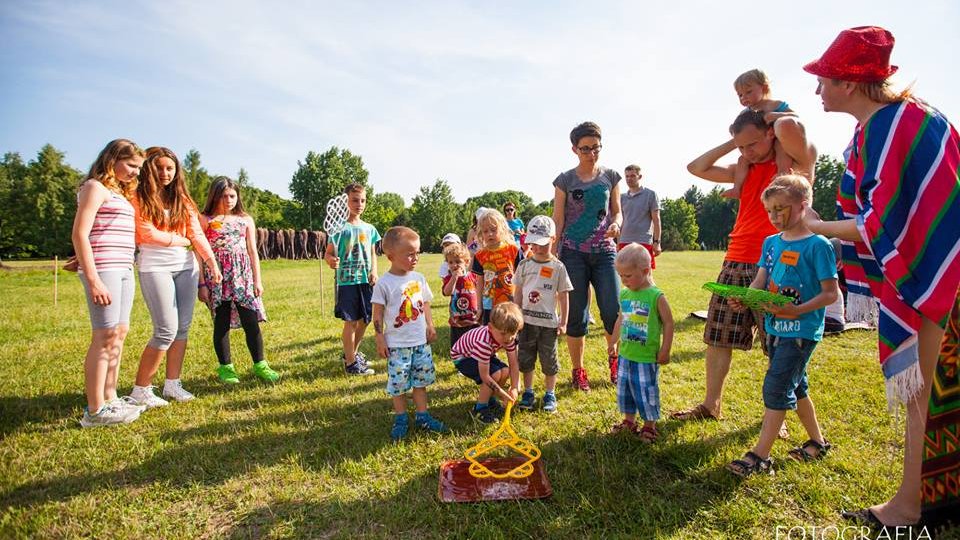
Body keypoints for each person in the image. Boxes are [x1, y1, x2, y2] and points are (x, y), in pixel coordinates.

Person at [801, 26, 960, 528]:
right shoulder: (912, 118)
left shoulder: (888, 127)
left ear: (849, 82)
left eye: (824, 79)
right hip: (943, 271)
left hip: (931, 282)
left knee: (923, 390)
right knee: (941, 389)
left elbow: (884, 224)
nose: (818, 90)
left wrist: (818, 225)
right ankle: (938, 496)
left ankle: (910, 507)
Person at [677, 107, 815, 422]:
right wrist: (735, 143)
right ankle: (710, 406)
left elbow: (797, 132)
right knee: (718, 334)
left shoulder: (790, 166)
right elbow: (696, 167)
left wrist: (775, 122)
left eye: (752, 144)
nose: (747, 152)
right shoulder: (743, 168)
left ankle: (777, 415)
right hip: (736, 256)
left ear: (770, 134)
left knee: (777, 342)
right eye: (742, 147)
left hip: (778, 261)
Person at [725, 175, 838, 476]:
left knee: (776, 388)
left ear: (803, 205)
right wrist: (745, 299)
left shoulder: (819, 245)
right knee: (796, 387)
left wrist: (797, 310)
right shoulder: (771, 243)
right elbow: (761, 280)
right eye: (769, 210)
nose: (774, 216)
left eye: (781, 209)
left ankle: (760, 456)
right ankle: (818, 441)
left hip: (800, 332)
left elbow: (831, 293)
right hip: (775, 329)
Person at [128, 147, 223, 408]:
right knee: (165, 329)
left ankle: (173, 384)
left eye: (170, 168)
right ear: (148, 169)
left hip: (186, 267)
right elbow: (146, 234)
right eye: (159, 168)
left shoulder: (183, 200)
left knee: (182, 328)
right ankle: (141, 389)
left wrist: (211, 262)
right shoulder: (139, 198)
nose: (165, 173)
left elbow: (197, 234)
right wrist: (178, 240)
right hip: (155, 267)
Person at [72, 139, 145, 427]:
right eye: (131, 165)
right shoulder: (94, 187)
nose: (135, 173)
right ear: (112, 159)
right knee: (103, 338)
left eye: (138, 168)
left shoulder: (119, 193)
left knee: (119, 333)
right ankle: (95, 410)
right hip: (104, 270)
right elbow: (80, 234)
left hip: (125, 267)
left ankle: (110, 397)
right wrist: (93, 279)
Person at [552, 121, 623, 391]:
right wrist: (553, 251)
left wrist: (616, 224)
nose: (592, 154)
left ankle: (615, 360)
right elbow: (557, 219)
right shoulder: (564, 180)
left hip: (605, 253)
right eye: (585, 149)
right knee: (576, 317)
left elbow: (617, 210)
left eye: (596, 148)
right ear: (574, 149)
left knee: (612, 311)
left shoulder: (611, 176)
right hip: (572, 254)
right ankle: (578, 371)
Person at [199, 177, 280, 385]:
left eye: (232, 196)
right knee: (221, 322)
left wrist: (257, 280)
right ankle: (226, 368)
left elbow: (253, 251)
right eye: (224, 195)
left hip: (243, 276)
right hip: (217, 277)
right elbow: (199, 253)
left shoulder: (245, 220)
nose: (228, 200)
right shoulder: (205, 219)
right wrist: (201, 283)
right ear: (214, 196)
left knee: (251, 321)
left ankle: (260, 364)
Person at [371, 226, 448, 441]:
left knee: (420, 381)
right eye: (410, 254)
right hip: (397, 345)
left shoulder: (419, 278)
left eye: (418, 252)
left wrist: (430, 325)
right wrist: (379, 337)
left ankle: (423, 416)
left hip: (420, 342)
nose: (415, 258)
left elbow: (425, 303)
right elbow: (377, 314)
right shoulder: (384, 284)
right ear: (391, 256)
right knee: (398, 385)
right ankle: (401, 418)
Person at [609, 244, 673, 442]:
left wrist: (665, 350)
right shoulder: (625, 294)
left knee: (646, 391)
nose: (623, 280)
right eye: (620, 276)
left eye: (628, 276)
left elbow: (669, 323)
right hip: (626, 355)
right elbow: (621, 318)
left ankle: (649, 426)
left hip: (646, 358)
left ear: (645, 271)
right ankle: (629, 421)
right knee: (625, 390)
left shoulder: (656, 296)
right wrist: (613, 341)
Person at [513, 216, 572, 413]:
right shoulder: (524, 265)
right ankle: (528, 392)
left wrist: (563, 322)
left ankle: (550, 393)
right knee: (526, 359)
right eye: (534, 244)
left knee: (549, 360)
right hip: (526, 323)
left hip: (548, 325)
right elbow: (518, 292)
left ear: (553, 239)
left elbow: (563, 297)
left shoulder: (558, 268)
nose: (537, 248)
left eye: (543, 244)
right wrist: (516, 315)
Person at [324, 183, 381, 375]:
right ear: (345, 202)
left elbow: (373, 253)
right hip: (347, 281)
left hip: (365, 280)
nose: (359, 204)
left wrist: (374, 270)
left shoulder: (370, 228)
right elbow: (328, 253)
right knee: (351, 322)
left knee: (365, 320)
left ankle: (352, 354)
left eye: (363, 200)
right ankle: (350, 364)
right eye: (355, 200)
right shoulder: (338, 228)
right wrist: (332, 261)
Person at [724, 69, 804, 199]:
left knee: (782, 150)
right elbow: (739, 128)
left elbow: (795, 117)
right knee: (742, 159)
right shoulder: (745, 113)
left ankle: (782, 174)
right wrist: (733, 129)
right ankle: (737, 187)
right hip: (759, 147)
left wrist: (777, 115)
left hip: (777, 140)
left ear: (764, 88)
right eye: (740, 95)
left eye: (748, 92)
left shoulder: (775, 105)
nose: (744, 98)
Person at [450, 302, 522, 423]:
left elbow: (514, 364)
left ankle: (489, 399)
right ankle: (480, 408)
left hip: (481, 355)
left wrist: (515, 387)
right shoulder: (484, 342)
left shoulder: (508, 338)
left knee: (505, 371)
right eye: (503, 334)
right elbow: (485, 376)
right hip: (462, 358)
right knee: (495, 374)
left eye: (513, 334)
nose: (508, 339)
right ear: (490, 327)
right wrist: (501, 394)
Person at [471, 208, 522, 324]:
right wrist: (479, 306)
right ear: (480, 233)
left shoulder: (513, 250)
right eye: (485, 231)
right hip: (489, 304)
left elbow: (522, 278)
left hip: (510, 301)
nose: (489, 234)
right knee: (492, 335)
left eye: (493, 230)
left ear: (503, 229)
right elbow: (479, 283)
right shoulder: (480, 255)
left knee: (510, 334)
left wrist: (520, 303)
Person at [618, 164, 661, 269]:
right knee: (626, 275)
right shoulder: (621, 198)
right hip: (624, 241)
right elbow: (620, 222)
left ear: (639, 177)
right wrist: (618, 242)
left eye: (632, 176)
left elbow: (656, 221)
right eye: (627, 176)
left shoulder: (650, 194)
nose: (629, 179)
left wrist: (657, 242)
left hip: (643, 241)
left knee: (645, 274)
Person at [441, 242, 480, 349]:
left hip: (473, 319)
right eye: (450, 262)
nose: (454, 265)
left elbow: (479, 291)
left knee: (475, 344)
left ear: (467, 262)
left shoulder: (473, 276)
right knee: (458, 347)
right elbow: (447, 292)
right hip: (457, 321)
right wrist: (454, 278)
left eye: (458, 262)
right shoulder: (449, 278)